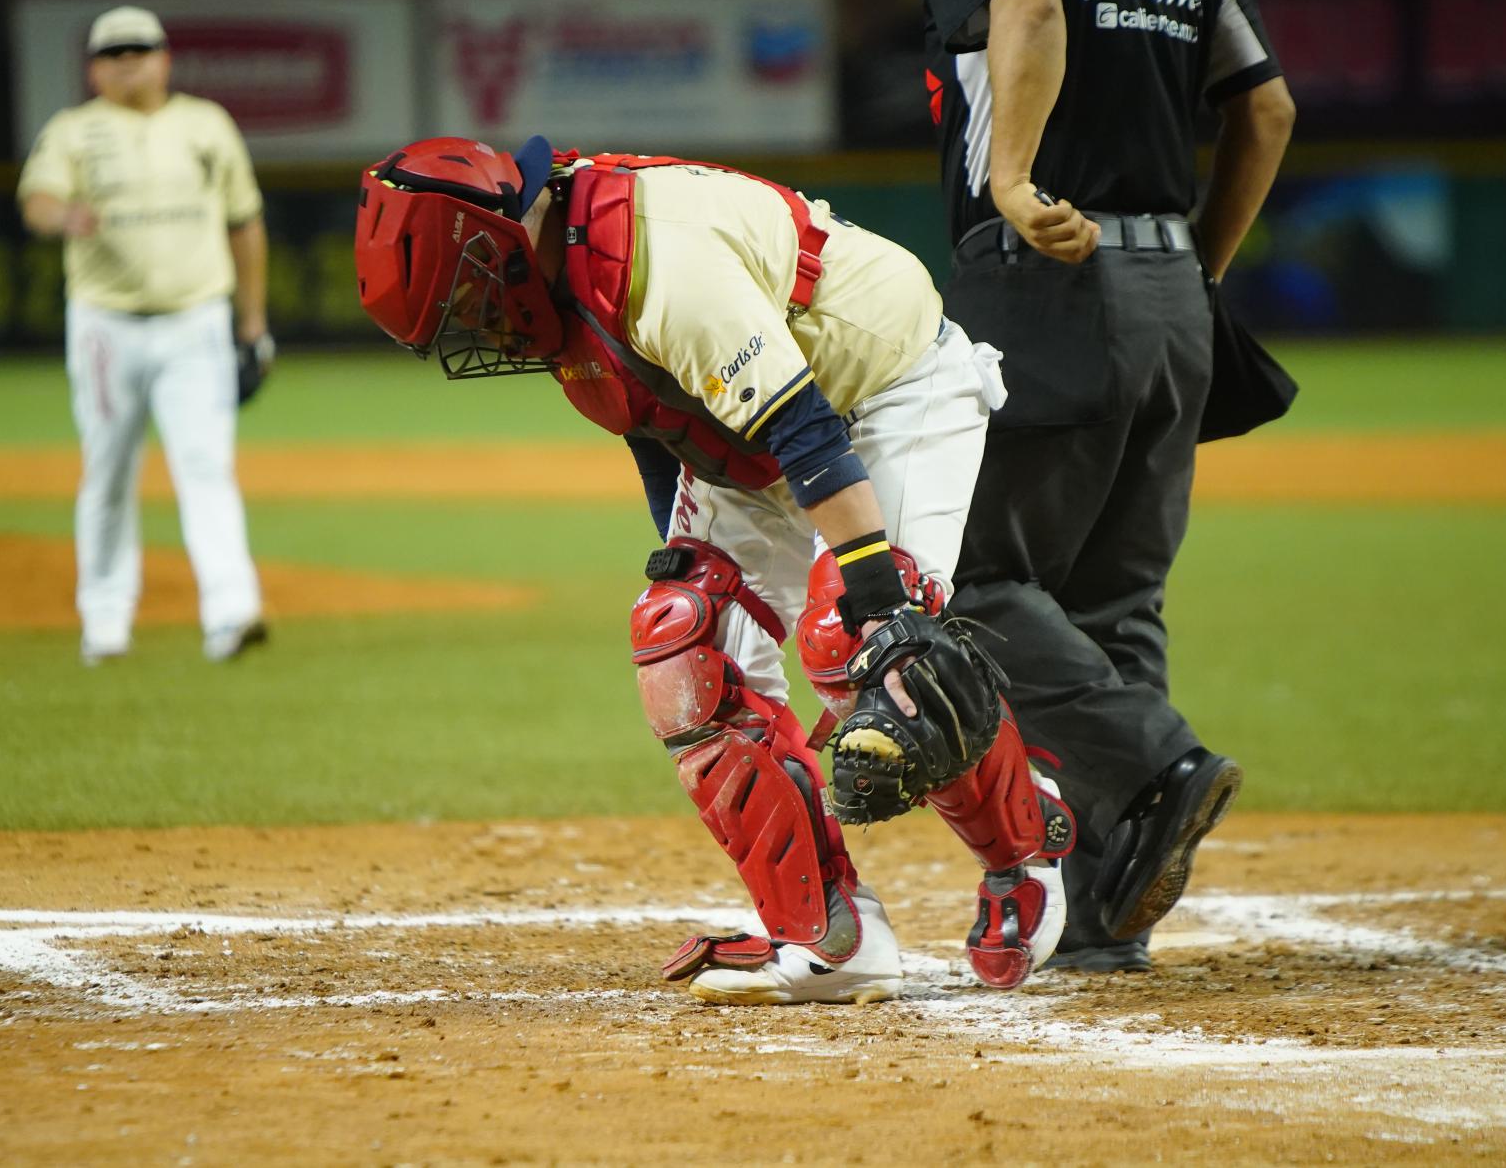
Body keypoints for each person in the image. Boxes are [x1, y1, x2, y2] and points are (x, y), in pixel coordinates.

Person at [354, 136, 1079, 1004]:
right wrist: (698, 570)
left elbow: (804, 425)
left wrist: (878, 599)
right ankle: (832, 934)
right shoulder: (554, 273)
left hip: (887, 381)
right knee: (682, 638)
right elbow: (653, 420)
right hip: (757, 440)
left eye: (464, 297)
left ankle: (1023, 848)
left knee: (861, 638)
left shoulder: (658, 264)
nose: (471, 322)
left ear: (496, 245)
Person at [904, 0, 1297, 970]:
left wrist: (1015, 181)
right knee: (1114, 603)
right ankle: (1103, 923)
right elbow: (1263, 109)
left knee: (964, 581)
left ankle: (1158, 766)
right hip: (1174, 287)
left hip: (1044, 277)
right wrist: (1199, 275)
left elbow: (1027, 8)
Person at [18, 5, 275, 665]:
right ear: (93, 68)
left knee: (206, 466)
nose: (128, 60)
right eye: (113, 52)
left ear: (165, 57)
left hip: (196, 319)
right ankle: (104, 622)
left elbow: (244, 225)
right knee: (107, 470)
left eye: (141, 48)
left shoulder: (206, 125)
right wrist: (63, 215)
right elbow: (37, 199)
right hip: (107, 324)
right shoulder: (75, 131)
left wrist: (252, 324)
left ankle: (231, 611)